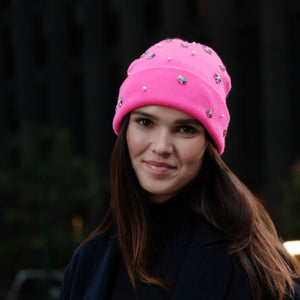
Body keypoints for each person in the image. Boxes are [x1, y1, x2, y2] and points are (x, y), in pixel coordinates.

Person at [59, 38, 300, 300]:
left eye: (185, 129)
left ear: (207, 145)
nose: (161, 146)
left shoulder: (254, 268)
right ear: (125, 130)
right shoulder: (88, 263)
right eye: (145, 122)